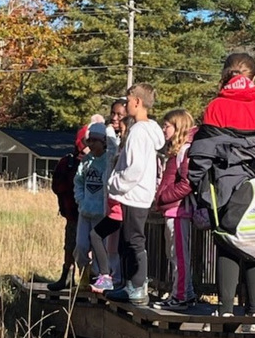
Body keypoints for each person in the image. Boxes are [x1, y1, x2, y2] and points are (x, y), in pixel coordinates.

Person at [188, 53, 255, 333]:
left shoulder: (217, 107)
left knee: (228, 245)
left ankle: (225, 314)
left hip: (226, 189)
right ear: (254, 77)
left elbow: (200, 156)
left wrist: (201, 192)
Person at [106, 83, 165, 305]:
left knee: (134, 241)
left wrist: (115, 183)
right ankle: (130, 284)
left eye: (129, 100)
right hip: (136, 194)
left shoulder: (139, 132)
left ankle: (138, 286)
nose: (126, 104)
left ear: (138, 102)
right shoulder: (148, 130)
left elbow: (135, 168)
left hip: (133, 194)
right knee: (127, 241)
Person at [154, 109, 197, 310]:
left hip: (179, 212)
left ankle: (180, 296)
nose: (164, 129)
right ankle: (183, 292)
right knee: (175, 255)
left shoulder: (184, 151)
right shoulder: (175, 151)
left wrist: (164, 196)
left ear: (178, 127)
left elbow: (188, 183)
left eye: (167, 126)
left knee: (179, 255)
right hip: (172, 211)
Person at [73, 121, 114, 292]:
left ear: (103, 141)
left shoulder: (108, 160)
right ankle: (84, 271)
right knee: (81, 246)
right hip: (85, 211)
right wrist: (81, 200)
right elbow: (79, 181)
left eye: (94, 142)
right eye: (89, 142)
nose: (90, 146)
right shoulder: (86, 160)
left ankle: (99, 277)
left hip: (101, 213)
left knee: (101, 248)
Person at [47, 126, 88, 291]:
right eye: (86, 141)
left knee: (88, 248)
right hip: (73, 214)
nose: (90, 144)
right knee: (70, 246)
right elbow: (56, 186)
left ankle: (87, 280)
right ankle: (67, 277)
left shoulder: (100, 162)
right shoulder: (67, 162)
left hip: (93, 214)